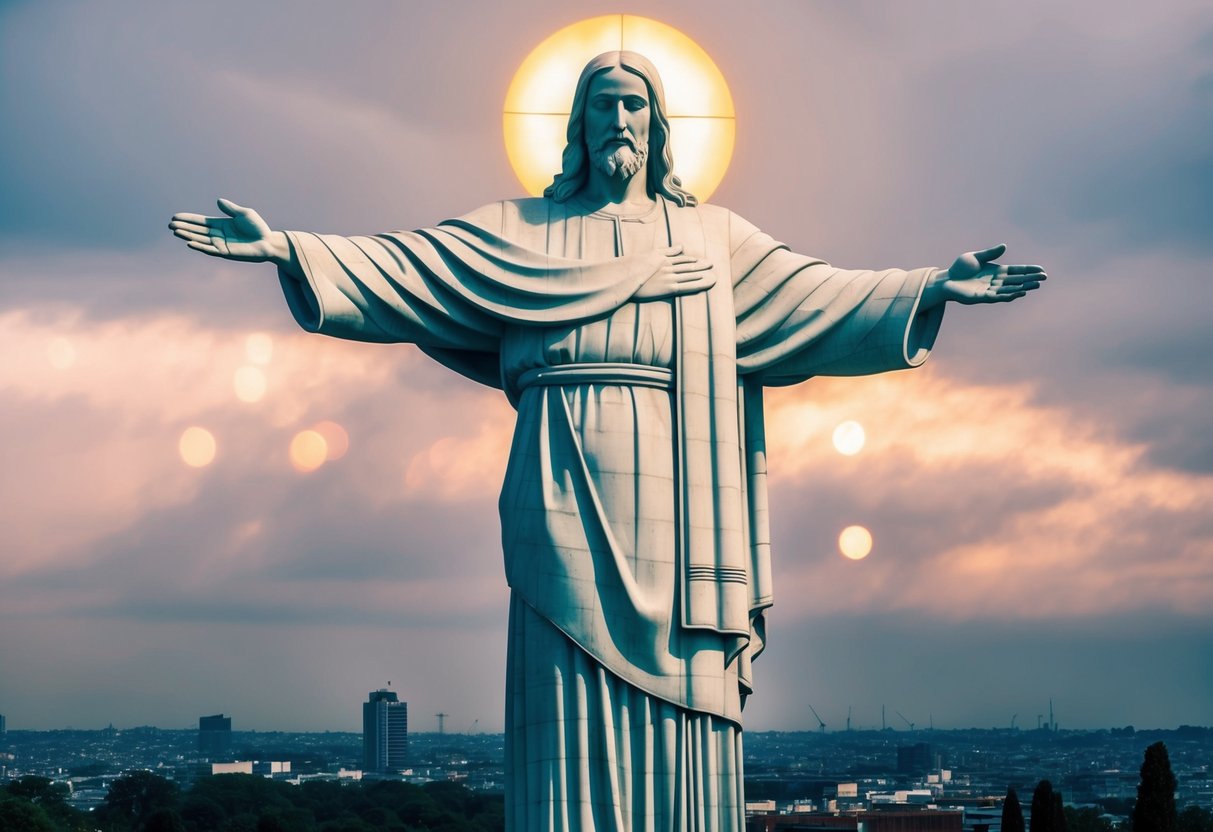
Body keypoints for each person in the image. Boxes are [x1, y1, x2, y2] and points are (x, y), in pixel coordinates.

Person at [170, 50, 1045, 832]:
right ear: (576, 124)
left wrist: (930, 287)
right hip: (558, 471)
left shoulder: (710, 237)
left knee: (684, 690)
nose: (619, 119)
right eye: (603, 104)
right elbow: (411, 266)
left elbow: (817, 296)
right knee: (564, 682)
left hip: (681, 493)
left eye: (634, 105)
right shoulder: (521, 231)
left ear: (658, 126)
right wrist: (287, 248)